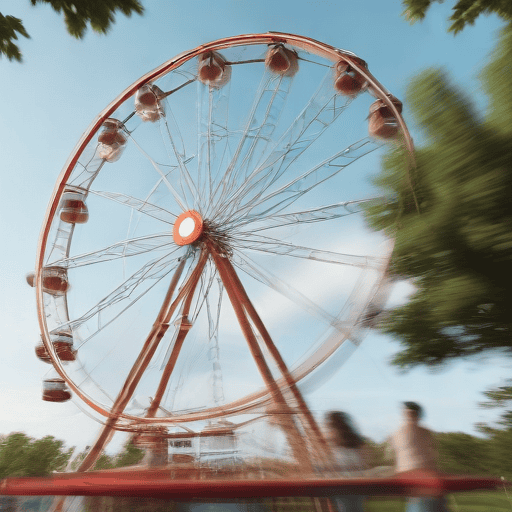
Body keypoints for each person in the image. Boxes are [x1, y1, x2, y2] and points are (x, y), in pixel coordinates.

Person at [388, 402, 448, 512]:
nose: (408, 416)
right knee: (426, 504)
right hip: (422, 476)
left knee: (423, 504)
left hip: (419, 476)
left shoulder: (400, 432)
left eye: (409, 414)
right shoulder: (424, 432)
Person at [325, 411, 370, 512]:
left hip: (342, 486)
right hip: (356, 485)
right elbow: (364, 465)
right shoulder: (355, 444)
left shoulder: (335, 447)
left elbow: (331, 470)